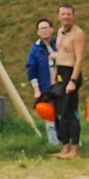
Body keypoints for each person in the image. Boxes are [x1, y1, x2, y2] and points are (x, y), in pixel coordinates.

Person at [52, 2, 87, 157]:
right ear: (59, 16)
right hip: (61, 74)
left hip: (71, 73)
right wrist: (56, 76)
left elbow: (79, 59)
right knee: (60, 112)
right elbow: (60, 54)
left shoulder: (78, 33)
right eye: (63, 14)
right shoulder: (60, 31)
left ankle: (75, 149)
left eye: (68, 14)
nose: (66, 17)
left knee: (71, 112)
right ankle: (65, 147)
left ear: (73, 15)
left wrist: (72, 81)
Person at [26, 18, 60, 146]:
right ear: (38, 32)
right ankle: (53, 142)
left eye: (46, 27)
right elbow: (31, 69)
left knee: (66, 113)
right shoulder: (35, 49)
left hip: (61, 84)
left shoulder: (60, 43)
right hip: (46, 87)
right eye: (41, 28)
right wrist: (36, 89)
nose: (44, 31)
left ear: (52, 29)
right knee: (49, 115)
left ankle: (71, 140)